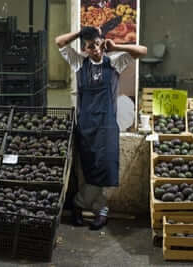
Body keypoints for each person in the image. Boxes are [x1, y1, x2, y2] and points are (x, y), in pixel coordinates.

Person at [55, 27, 147, 230]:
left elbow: (143, 51)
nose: (94, 50)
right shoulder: (79, 63)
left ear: (102, 43)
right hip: (86, 125)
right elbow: (60, 41)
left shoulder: (114, 61)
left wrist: (117, 46)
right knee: (88, 170)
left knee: (105, 169)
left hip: (106, 126)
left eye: (96, 44)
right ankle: (97, 211)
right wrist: (80, 33)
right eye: (89, 47)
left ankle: (80, 205)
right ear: (85, 48)